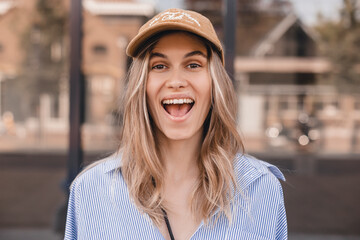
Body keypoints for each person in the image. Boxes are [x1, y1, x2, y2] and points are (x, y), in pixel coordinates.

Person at [64, 8, 287, 240]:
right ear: (142, 86)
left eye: (193, 65)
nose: (177, 82)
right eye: (159, 66)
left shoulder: (261, 188)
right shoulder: (91, 191)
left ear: (215, 85)